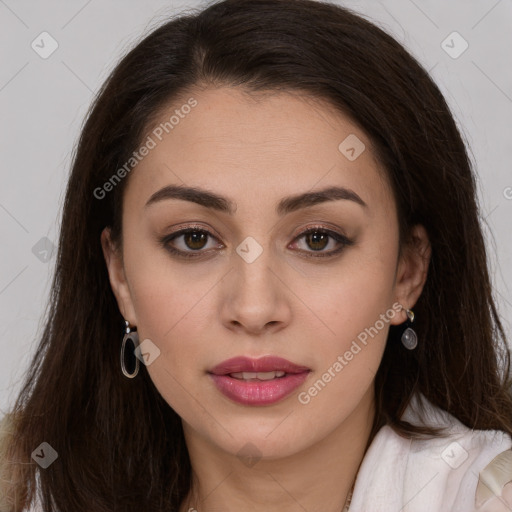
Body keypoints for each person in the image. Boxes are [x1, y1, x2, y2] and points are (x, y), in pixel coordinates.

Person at [1, 0, 511, 510]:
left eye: (318, 239)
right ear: (121, 276)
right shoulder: (23, 490)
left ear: (407, 273)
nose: (254, 308)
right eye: (194, 239)